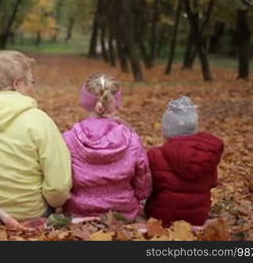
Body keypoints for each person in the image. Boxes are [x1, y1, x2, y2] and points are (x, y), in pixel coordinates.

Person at [0, 50, 72, 220]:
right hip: (29, 213)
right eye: (31, 81)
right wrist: (56, 203)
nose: (33, 87)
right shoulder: (38, 120)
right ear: (17, 84)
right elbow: (58, 186)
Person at [62, 73, 152, 220]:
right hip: (123, 212)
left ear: (84, 102)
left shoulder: (69, 139)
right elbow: (143, 178)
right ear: (116, 102)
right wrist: (141, 197)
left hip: (79, 211)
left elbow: (62, 179)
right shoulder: (131, 139)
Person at [144, 96, 224, 227]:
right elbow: (212, 183)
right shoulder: (207, 155)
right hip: (198, 216)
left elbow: (149, 187)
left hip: (162, 217)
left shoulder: (155, 155)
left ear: (166, 130)